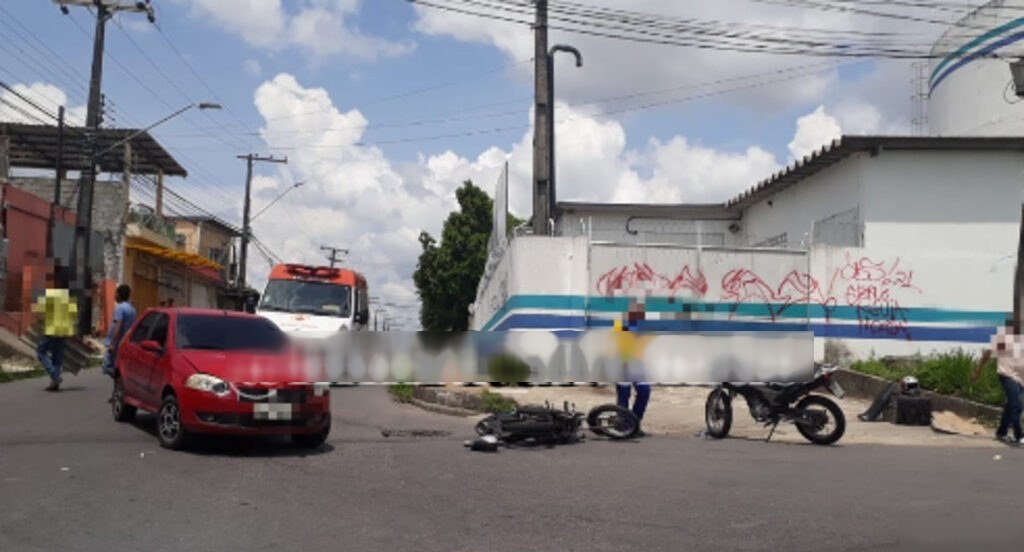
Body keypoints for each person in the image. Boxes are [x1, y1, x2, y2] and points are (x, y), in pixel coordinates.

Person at [972, 317, 1024, 445]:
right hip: (1006, 374)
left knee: (1010, 406)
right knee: (1016, 405)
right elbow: (987, 353)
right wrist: (978, 370)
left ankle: (1001, 432)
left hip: (1021, 378)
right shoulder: (1002, 339)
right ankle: (1019, 435)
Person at [31, 267, 78, 392]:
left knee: (41, 352)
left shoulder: (49, 296)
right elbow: (74, 315)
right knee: (57, 357)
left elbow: (39, 314)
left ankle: (55, 375)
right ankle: (54, 383)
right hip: (64, 331)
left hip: (51, 330)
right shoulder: (69, 297)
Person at [613, 300, 653, 436]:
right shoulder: (620, 326)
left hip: (639, 365)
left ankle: (634, 424)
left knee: (644, 392)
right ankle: (623, 425)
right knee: (624, 396)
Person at [102, 284, 136, 378]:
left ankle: (119, 380)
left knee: (108, 367)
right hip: (125, 342)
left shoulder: (120, 308)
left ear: (119, 295)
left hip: (116, 343)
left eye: (116, 293)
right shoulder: (132, 309)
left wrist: (113, 343)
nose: (115, 295)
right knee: (118, 365)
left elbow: (118, 325)